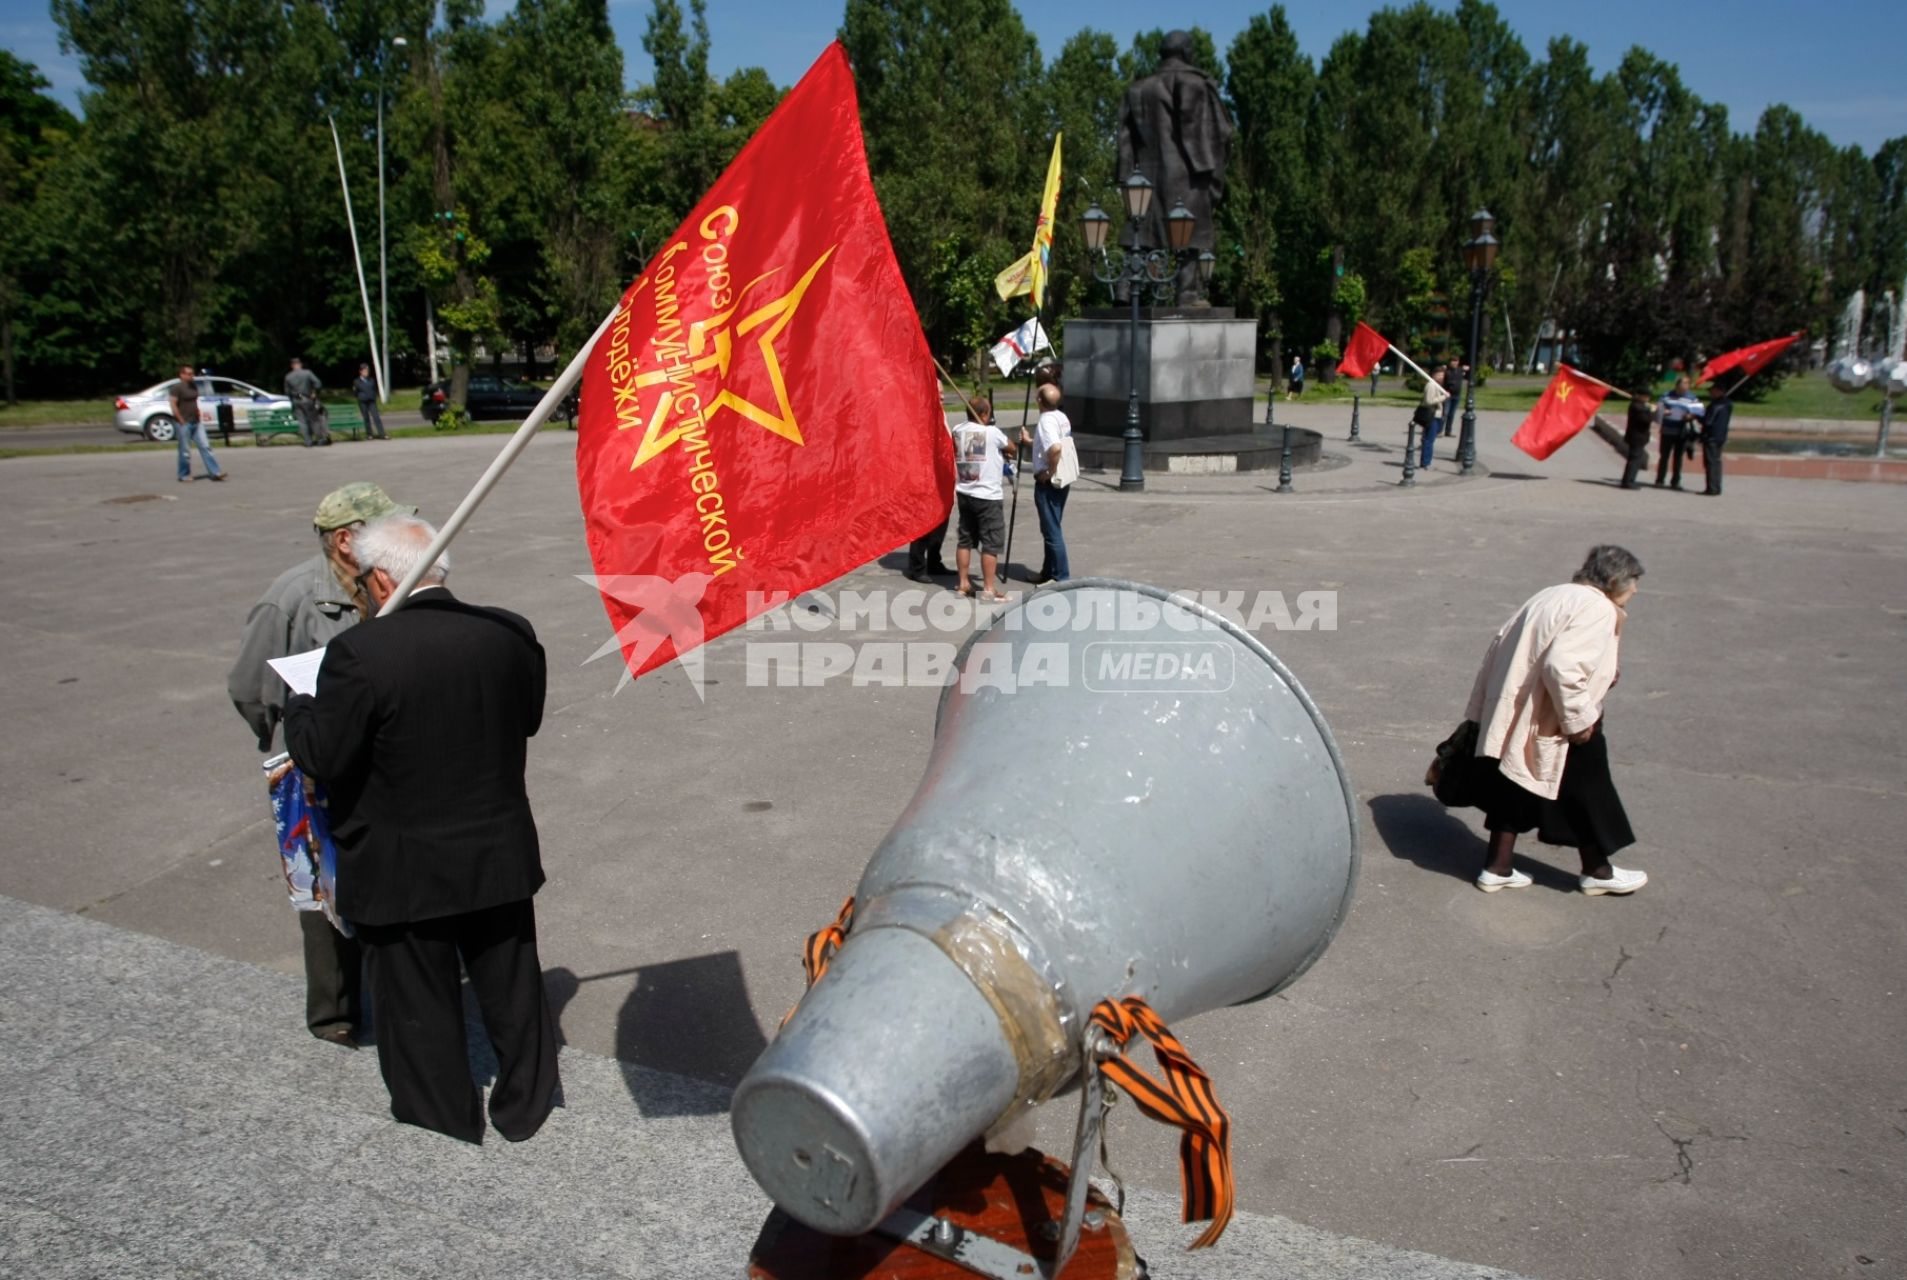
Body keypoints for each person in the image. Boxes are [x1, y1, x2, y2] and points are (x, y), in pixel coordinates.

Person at [284, 515, 560, 1144]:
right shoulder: (509, 632)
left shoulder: (358, 654)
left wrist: (300, 706)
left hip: (400, 859)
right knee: (512, 985)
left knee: (417, 999)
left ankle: (442, 1115)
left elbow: (324, 755)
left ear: (382, 579)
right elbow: (529, 718)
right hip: (495, 847)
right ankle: (527, 1103)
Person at [228, 483, 414, 1047]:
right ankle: (334, 1010)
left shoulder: (393, 580)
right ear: (343, 540)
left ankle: (401, 996)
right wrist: (286, 738)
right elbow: (249, 686)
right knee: (321, 884)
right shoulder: (290, 599)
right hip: (316, 768)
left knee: (390, 875)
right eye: (380, 529)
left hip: (382, 761)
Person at [1464, 545, 1648, 896]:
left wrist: (1484, 708)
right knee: (1590, 792)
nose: (1635, 591)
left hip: (1519, 708)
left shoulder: (1552, 594)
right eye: (1633, 582)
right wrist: (1578, 721)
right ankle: (1599, 871)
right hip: (1558, 717)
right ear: (1614, 580)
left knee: (1515, 784)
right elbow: (1562, 666)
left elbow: (1501, 643)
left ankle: (1497, 866)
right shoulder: (1597, 608)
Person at [1116, 31, 1231, 304]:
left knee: (1140, 234)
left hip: (1141, 178)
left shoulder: (1137, 88)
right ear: (1187, 52)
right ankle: (1187, 293)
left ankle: (1123, 289)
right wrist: (1212, 172)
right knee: (1190, 234)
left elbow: (1123, 139)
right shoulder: (1195, 83)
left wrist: (1124, 178)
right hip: (1187, 175)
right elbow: (1215, 133)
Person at [950, 396, 1016, 601]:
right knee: (990, 542)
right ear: (985, 414)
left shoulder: (957, 430)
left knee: (965, 538)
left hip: (965, 491)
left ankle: (963, 583)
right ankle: (988, 589)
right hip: (987, 495)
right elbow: (1012, 447)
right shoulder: (992, 432)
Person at [1027, 383, 1072, 585]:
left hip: (1049, 483)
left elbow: (1054, 448)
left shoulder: (1046, 420)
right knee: (1050, 528)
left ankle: (1060, 577)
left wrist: (1049, 472)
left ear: (1039, 400)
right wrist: (1031, 442)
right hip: (1064, 478)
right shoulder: (1061, 417)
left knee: (1052, 531)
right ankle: (1048, 572)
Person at [169, 364, 225, 482]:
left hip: (196, 421)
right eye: (189, 374)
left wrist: (198, 414)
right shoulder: (177, 388)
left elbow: (194, 402)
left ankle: (215, 472)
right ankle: (183, 474)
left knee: (206, 446)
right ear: (182, 375)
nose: (192, 376)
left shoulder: (193, 386)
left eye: (192, 374)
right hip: (183, 422)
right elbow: (173, 405)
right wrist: (180, 420)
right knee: (185, 450)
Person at [1655, 375, 1703, 489]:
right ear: (1677, 385)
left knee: (1678, 457)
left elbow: (1699, 413)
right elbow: (1658, 409)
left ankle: (1675, 481)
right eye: (1683, 384)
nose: (1685, 387)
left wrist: (1690, 416)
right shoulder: (1666, 395)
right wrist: (1664, 411)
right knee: (1664, 456)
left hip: (1682, 431)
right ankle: (1660, 479)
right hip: (1667, 430)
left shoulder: (1692, 397)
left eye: (1687, 384)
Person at [285, 356, 331, 447]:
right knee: (314, 420)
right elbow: (318, 383)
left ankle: (308, 441)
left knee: (302, 422)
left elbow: (287, 392)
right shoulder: (307, 373)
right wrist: (314, 391)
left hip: (296, 400)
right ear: (300, 364)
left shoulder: (288, 377)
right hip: (307, 399)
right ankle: (320, 439)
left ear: (292, 366)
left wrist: (292, 402)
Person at [1619, 390, 1656, 489]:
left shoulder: (1641, 406)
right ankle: (1628, 481)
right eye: (1646, 396)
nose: (1647, 399)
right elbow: (1645, 420)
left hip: (1639, 437)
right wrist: (1651, 411)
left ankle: (1629, 479)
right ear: (1641, 396)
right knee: (1634, 460)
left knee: (1635, 459)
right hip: (1636, 437)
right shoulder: (1637, 406)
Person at [1420, 365, 1456, 467]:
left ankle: (1426, 461)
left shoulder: (1436, 385)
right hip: (1432, 415)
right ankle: (1425, 462)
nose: (1441, 377)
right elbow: (1429, 401)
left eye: (1442, 375)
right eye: (1439, 375)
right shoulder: (1431, 385)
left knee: (1430, 438)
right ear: (1433, 375)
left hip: (1436, 415)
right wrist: (1443, 397)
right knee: (1429, 439)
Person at [1700, 389, 1732, 496]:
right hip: (1720, 437)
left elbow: (1708, 421)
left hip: (1711, 437)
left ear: (1719, 392)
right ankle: (1716, 487)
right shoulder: (1727, 403)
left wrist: (1698, 416)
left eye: (1712, 391)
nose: (1710, 393)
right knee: (1717, 462)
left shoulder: (1716, 405)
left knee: (1711, 463)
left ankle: (1712, 488)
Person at [353, 363, 388, 440]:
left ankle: (382, 434)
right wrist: (360, 397)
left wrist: (374, 396)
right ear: (361, 372)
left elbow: (374, 389)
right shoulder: (357, 381)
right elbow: (355, 392)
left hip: (371, 401)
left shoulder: (371, 380)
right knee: (366, 418)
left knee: (376, 417)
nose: (366, 372)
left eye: (367, 371)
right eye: (364, 371)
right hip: (363, 401)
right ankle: (369, 434)